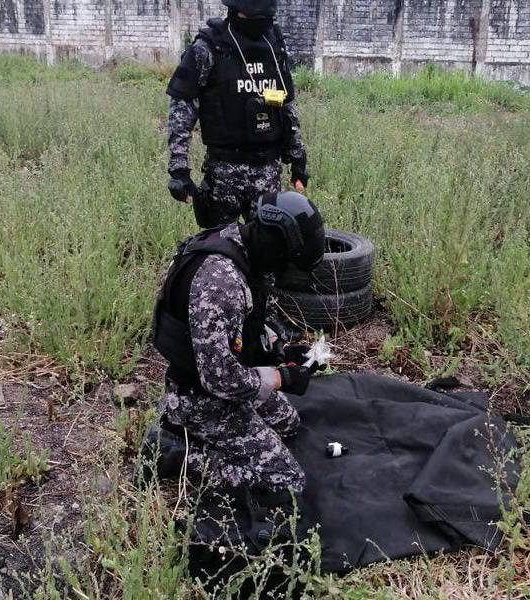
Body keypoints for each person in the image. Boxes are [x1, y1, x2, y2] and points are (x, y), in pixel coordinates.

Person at [151, 191, 325, 510]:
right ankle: (176, 451)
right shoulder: (220, 281)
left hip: (219, 385)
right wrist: (280, 378)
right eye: (287, 261)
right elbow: (220, 380)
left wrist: (282, 350)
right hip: (199, 398)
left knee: (288, 422)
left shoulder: (244, 249)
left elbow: (249, 324)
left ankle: (188, 434)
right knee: (285, 480)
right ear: (274, 243)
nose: (285, 271)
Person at [165, 0, 310, 228]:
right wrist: (179, 170)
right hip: (224, 174)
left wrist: (298, 157)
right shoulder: (209, 47)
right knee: (219, 251)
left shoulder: (273, 44)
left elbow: (286, 103)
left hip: (268, 172)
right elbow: (182, 109)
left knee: (268, 251)